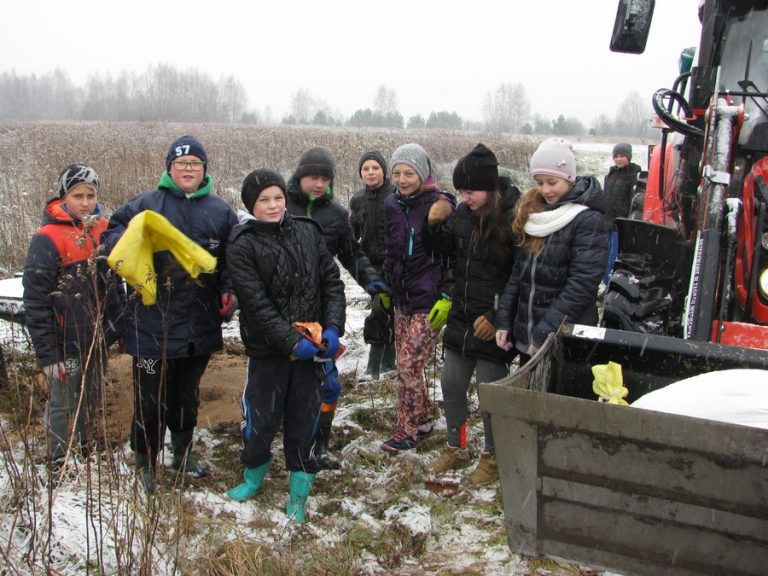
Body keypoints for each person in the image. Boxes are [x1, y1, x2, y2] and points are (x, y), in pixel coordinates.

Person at [102, 135, 238, 492]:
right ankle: (145, 461)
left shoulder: (221, 211)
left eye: (195, 163)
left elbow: (232, 260)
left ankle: (181, 454)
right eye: (181, 164)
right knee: (151, 396)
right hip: (151, 325)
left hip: (199, 324)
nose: (188, 169)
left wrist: (229, 290)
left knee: (186, 395)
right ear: (169, 168)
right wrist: (131, 245)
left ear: (204, 169)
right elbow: (112, 233)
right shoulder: (147, 204)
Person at [225, 169, 346, 524]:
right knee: (260, 420)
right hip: (268, 353)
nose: (273, 205)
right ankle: (253, 477)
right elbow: (256, 305)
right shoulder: (242, 243)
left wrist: (334, 326)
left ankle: (298, 494)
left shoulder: (308, 232)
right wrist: (292, 341)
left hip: (312, 353)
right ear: (252, 205)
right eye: (264, 200)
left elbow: (331, 282)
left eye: (278, 197)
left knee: (304, 421)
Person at [423, 143, 520, 485]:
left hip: (491, 326)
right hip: (462, 318)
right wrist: (433, 226)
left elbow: (517, 277)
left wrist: (496, 316)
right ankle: (457, 446)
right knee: (451, 385)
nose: (465, 197)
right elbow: (445, 254)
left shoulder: (512, 218)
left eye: (471, 191)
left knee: (490, 393)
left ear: (491, 188)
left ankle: (492, 457)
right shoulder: (462, 214)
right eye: (461, 191)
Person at [285, 146, 387, 469]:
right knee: (278, 386)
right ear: (300, 176)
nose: (319, 184)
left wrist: (371, 281)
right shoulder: (279, 206)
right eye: (313, 177)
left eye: (325, 178)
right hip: (281, 312)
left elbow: (351, 254)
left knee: (328, 385)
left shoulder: (336, 214)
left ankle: (322, 444)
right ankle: (270, 444)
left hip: (319, 310)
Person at [22, 163, 124, 474]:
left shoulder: (104, 229)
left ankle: (83, 446)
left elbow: (114, 285)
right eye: (77, 195)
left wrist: (116, 328)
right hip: (66, 341)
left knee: (91, 396)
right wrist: (48, 354)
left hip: (96, 337)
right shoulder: (47, 237)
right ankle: (58, 459)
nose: (84, 202)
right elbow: (35, 302)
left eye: (90, 195)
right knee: (64, 400)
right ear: (64, 196)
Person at [496, 138, 607, 365]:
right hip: (531, 336)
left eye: (552, 182)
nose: (545, 190)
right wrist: (504, 320)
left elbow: (582, 285)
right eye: (539, 182)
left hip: (563, 337)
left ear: (568, 179)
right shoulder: (534, 216)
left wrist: (545, 331)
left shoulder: (587, 220)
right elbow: (519, 274)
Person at [381, 143, 456, 453]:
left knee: (409, 363)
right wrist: (386, 287)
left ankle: (407, 430)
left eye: (408, 173)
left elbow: (453, 256)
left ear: (423, 174)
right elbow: (390, 249)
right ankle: (423, 419)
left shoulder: (439, 206)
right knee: (407, 364)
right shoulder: (391, 205)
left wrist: (448, 294)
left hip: (429, 299)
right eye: (396, 173)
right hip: (402, 298)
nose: (401, 179)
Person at [349, 151, 397, 382]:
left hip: (395, 266)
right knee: (382, 311)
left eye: (375, 168)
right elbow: (351, 235)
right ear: (360, 173)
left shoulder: (395, 195)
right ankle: (388, 364)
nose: (370, 172)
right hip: (371, 269)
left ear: (384, 171)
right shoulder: (357, 200)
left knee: (382, 312)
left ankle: (375, 367)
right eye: (366, 168)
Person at [603, 143, 641, 285]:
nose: (618, 159)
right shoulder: (610, 175)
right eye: (616, 156)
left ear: (628, 157)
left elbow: (634, 202)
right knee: (604, 256)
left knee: (615, 256)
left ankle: (611, 284)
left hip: (620, 223)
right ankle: (605, 283)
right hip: (606, 220)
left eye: (622, 156)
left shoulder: (633, 175)